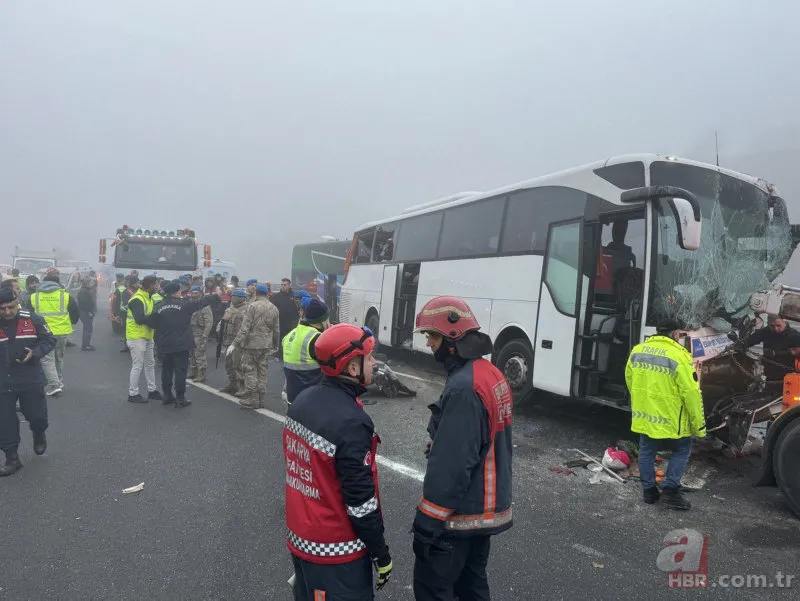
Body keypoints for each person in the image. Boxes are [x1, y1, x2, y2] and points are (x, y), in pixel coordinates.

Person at [411, 296, 514, 601]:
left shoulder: (464, 387)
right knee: (472, 590)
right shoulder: (489, 373)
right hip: (482, 514)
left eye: (432, 336)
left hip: (458, 518)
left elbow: (453, 466)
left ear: (452, 337)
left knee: (434, 590)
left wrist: (427, 523)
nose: (429, 343)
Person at [284, 323, 392, 599]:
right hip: (336, 553)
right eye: (369, 358)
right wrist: (380, 553)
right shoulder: (351, 422)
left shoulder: (302, 401)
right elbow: (360, 502)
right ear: (353, 368)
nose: (374, 363)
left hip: (302, 538)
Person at [625, 317, 706, 510]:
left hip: (646, 415)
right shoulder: (679, 355)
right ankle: (670, 491)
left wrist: (642, 403)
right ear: (676, 333)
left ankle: (649, 492)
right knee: (682, 449)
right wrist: (699, 426)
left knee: (646, 451)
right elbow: (691, 393)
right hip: (672, 418)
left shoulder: (638, 350)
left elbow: (630, 380)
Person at [0, 288, 56, 476]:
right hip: (3, 380)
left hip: (30, 377)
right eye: (2, 308)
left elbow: (49, 339)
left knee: (36, 415)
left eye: (11, 307)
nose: (7, 312)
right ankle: (12, 458)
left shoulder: (33, 319)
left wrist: (35, 353)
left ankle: (38, 432)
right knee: (4, 420)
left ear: (17, 303)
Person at [148, 280, 218, 407]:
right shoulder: (184, 304)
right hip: (181, 344)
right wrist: (216, 295)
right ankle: (180, 398)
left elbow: (152, 323)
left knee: (166, 370)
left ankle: (167, 395)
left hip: (164, 343)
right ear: (177, 292)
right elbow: (200, 303)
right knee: (180, 371)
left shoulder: (158, 306)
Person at [228, 284, 280, 409]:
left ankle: (253, 399)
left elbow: (245, 328)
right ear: (267, 294)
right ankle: (261, 399)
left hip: (252, 345)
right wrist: (276, 344)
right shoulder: (274, 308)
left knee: (250, 370)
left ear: (256, 293)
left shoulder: (253, 306)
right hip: (266, 345)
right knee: (262, 371)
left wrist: (235, 343)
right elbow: (276, 329)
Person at [30, 269, 80, 397]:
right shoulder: (65, 296)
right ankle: (59, 381)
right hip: (62, 332)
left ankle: (54, 385)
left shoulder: (35, 296)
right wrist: (70, 322)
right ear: (58, 283)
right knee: (59, 358)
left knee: (47, 359)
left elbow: (29, 314)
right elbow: (75, 313)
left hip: (44, 332)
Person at [282, 298, 331, 405]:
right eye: (328, 319)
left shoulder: (289, 335)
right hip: (311, 401)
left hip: (292, 398)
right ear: (322, 321)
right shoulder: (317, 339)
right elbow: (332, 367)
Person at [126, 275, 162, 403]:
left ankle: (152, 390)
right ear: (150, 285)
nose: (157, 287)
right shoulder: (137, 299)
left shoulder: (148, 297)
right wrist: (156, 320)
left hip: (147, 336)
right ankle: (133, 393)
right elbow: (139, 319)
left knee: (150, 364)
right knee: (138, 365)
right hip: (136, 337)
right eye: (156, 284)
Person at [738, 316, 800, 386]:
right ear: (768, 324)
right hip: (769, 372)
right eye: (772, 326)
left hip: (788, 373)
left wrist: (776, 353)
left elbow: (798, 352)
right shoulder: (766, 332)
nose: (775, 329)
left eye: (778, 326)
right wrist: (741, 344)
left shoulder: (795, 336)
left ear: (785, 322)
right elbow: (751, 340)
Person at [218, 288, 248, 395]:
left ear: (242, 298)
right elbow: (222, 323)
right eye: (233, 297)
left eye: (236, 297)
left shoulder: (247, 310)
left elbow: (246, 328)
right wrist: (219, 331)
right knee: (229, 364)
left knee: (238, 365)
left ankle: (242, 387)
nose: (233, 299)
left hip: (239, 342)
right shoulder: (229, 309)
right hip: (228, 340)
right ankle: (232, 384)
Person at [187, 286, 214, 383]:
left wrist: (205, 335)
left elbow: (209, 322)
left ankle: (201, 374)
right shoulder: (189, 304)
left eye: (196, 293)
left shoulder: (204, 305)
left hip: (200, 333)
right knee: (192, 355)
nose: (194, 295)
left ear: (200, 293)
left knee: (199, 355)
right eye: (192, 293)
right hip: (191, 332)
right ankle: (193, 372)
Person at [271, 278, 300, 356]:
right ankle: (279, 354)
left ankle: (289, 354)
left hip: (292, 324)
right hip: (280, 323)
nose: (283, 286)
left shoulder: (294, 296)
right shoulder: (276, 296)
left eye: (285, 285)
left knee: (290, 340)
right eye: (282, 285)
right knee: (280, 340)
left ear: (289, 286)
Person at [76, 275, 98, 351]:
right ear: (86, 283)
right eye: (90, 282)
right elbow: (85, 304)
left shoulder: (85, 290)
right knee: (87, 329)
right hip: (85, 313)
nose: (92, 284)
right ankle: (85, 345)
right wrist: (89, 312)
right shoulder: (83, 291)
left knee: (88, 329)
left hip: (85, 312)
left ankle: (86, 344)